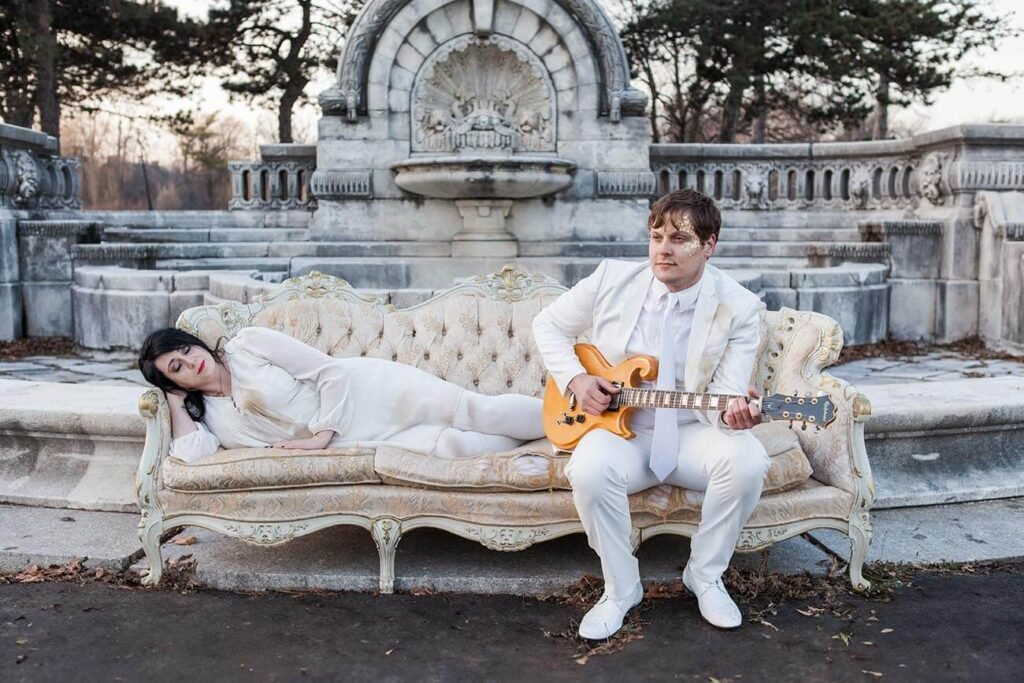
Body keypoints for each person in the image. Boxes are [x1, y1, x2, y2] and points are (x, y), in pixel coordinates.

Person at [532, 188, 768, 638]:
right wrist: (576, 381)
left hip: (692, 430)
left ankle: (705, 574)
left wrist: (736, 415)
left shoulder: (738, 307)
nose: (664, 249)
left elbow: (726, 396)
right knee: (587, 468)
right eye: (657, 236)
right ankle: (621, 589)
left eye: (680, 239)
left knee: (748, 460)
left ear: (710, 245)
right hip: (624, 431)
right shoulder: (611, 279)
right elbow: (547, 325)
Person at [138, 326, 544, 462]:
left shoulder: (247, 346)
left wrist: (319, 438)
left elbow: (329, 372)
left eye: (187, 350)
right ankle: (559, 443)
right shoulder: (209, 416)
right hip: (358, 440)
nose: (191, 362)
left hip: (367, 393)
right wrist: (172, 397)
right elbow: (190, 456)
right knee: (453, 447)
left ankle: (577, 420)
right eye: (177, 368)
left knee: (476, 412)